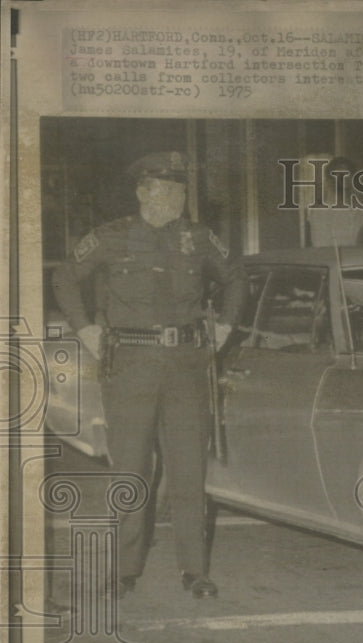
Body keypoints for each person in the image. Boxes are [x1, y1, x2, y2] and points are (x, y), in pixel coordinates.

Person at [52, 152, 247, 600]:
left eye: (179, 190)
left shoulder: (199, 239)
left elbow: (236, 277)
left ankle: (194, 572)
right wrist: (83, 328)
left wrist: (224, 326)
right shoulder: (111, 237)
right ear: (142, 192)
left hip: (186, 367)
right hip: (131, 368)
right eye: (164, 189)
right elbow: (65, 277)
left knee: (188, 469)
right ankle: (125, 570)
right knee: (131, 468)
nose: (174, 198)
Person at [306, 155, 363, 246]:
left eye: (348, 174)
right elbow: (320, 247)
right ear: (330, 180)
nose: (344, 179)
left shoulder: (362, 210)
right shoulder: (320, 211)